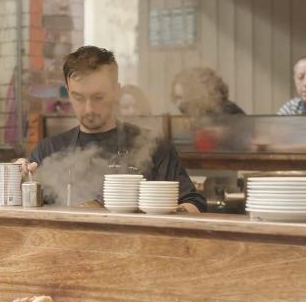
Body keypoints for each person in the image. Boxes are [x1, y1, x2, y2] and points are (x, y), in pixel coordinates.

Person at [18, 46, 206, 213]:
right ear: (68, 92)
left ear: (117, 91)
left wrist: (163, 213)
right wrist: (18, 179)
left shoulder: (153, 147)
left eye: (98, 97)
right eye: (79, 98)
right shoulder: (48, 150)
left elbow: (194, 203)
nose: (89, 109)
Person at [171, 67, 245, 116]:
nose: (178, 104)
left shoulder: (226, 111)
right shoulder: (202, 114)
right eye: (176, 98)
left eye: (181, 98)